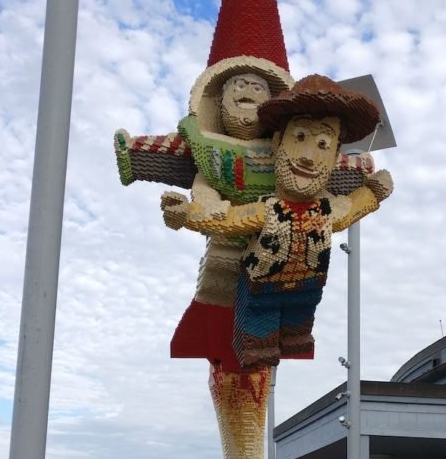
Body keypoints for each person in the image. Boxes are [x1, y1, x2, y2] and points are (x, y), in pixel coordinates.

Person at [163, 74, 393, 370]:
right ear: (277, 143)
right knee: (259, 328)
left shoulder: (327, 211)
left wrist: (373, 191)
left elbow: (351, 209)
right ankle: (256, 343)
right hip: (260, 289)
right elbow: (229, 219)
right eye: (299, 138)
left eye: (323, 144)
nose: (308, 157)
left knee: (300, 322)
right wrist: (186, 214)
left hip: (307, 289)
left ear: (335, 154)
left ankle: (296, 335)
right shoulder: (267, 209)